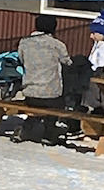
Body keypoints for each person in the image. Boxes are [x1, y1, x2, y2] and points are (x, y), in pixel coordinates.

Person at [13, 14, 72, 145]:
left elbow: (22, 60)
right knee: (57, 102)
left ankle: (27, 128)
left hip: (30, 92)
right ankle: (49, 132)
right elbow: (67, 62)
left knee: (36, 104)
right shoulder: (57, 45)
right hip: (52, 95)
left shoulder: (24, 42)